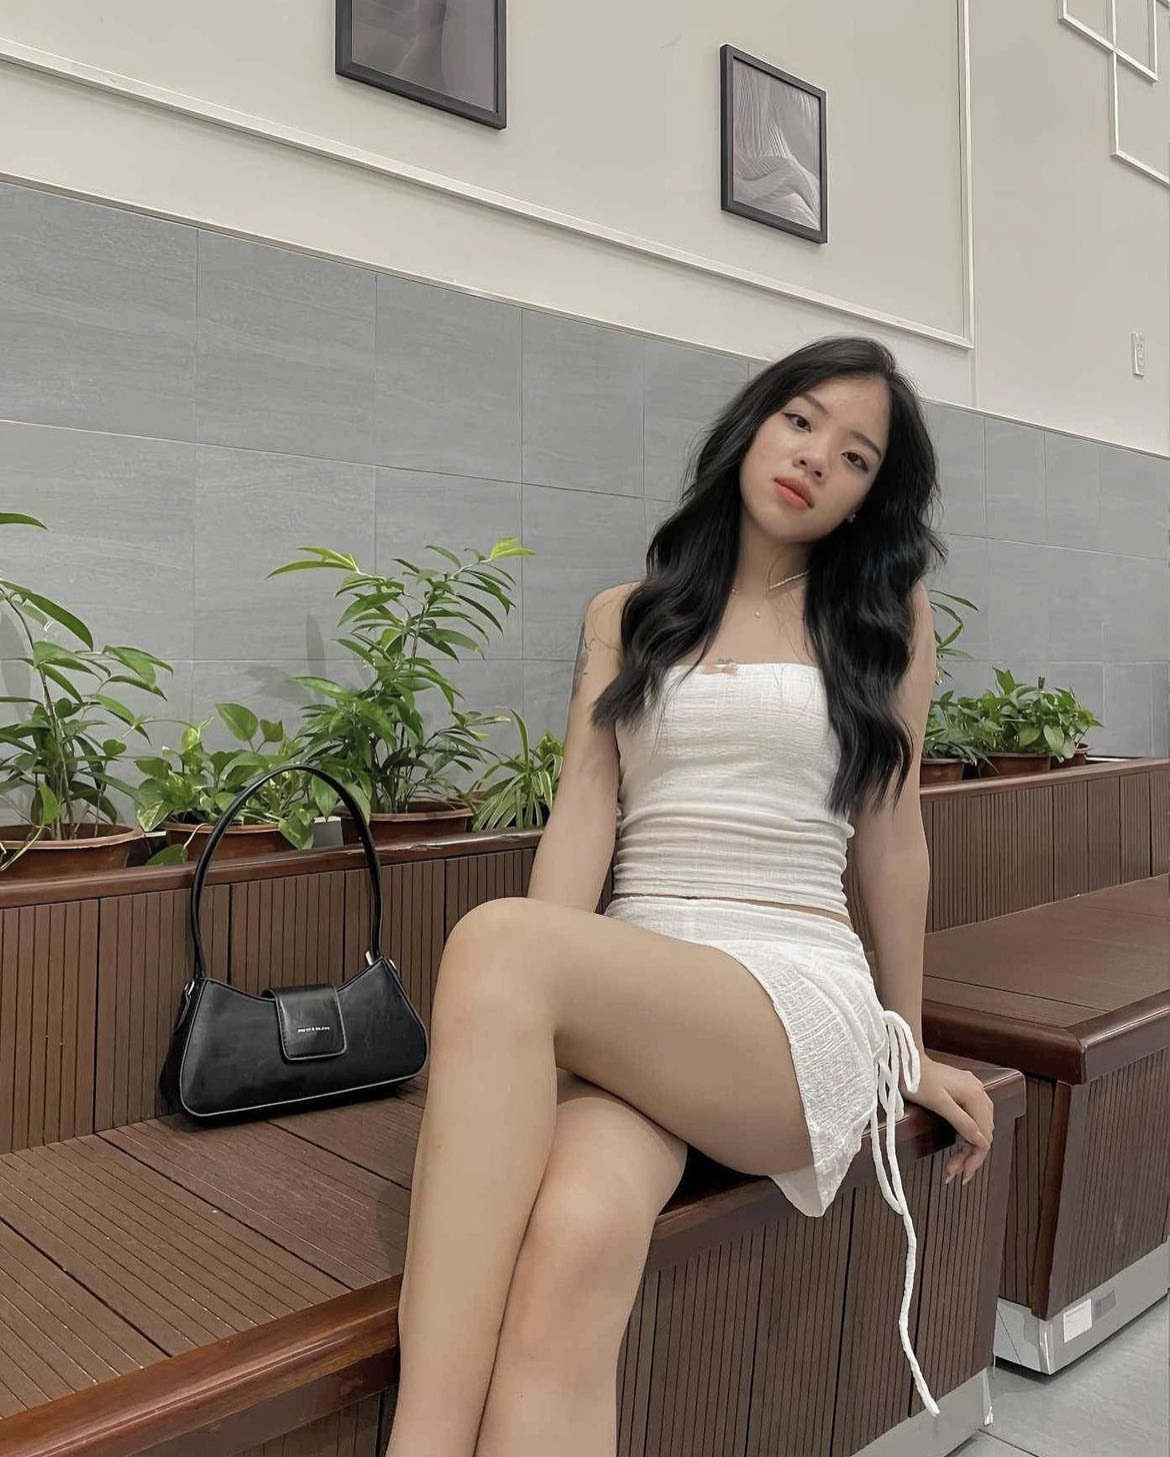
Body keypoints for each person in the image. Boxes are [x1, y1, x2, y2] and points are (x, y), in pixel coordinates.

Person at [383, 335, 996, 1457]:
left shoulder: (881, 618)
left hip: (791, 998)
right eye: (802, 420)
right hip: (646, 998)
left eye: (856, 457)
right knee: (574, 1235)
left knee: (500, 944)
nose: (816, 459)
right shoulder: (628, 614)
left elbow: (893, 835)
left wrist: (904, 1041)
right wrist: (545, 1045)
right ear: (755, 422)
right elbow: (584, 812)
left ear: (868, 497)